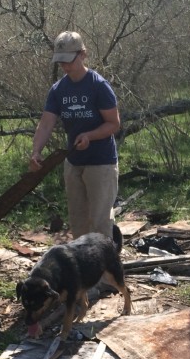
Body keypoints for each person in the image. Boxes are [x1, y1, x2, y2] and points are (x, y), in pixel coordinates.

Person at [29, 31, 121, 242]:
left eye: (69, 61)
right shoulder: (58, 90)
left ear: (83, 55)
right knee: (79, 222)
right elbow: (46, 124)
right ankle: (84, 271)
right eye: (61, 62)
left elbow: (113, 123)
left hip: (101, 162)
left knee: (100, 222)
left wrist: (90, 135)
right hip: (74, 162)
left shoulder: (98, 85)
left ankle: (105, 273)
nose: (65, 67)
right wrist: (36, 152)